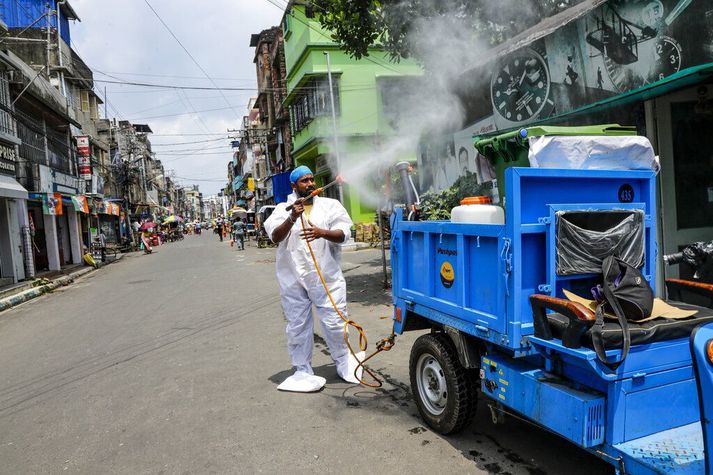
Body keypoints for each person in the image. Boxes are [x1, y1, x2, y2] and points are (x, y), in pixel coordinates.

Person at [264, 165, 358, 390]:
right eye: (304, 181)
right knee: (297, 326)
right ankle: (302, 369)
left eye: (311, 180)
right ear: (294, 186)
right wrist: (292, 218)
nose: (310, 184)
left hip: (327, 278)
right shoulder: (281, 209)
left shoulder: (330, 206)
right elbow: (275, 237)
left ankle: (344, 362)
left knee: (336, 322)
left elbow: (345, 233)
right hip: (293, 281)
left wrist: (321, 232)